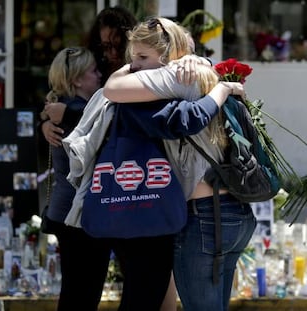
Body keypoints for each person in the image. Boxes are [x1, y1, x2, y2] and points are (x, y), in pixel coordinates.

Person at [63, 17, 246, 311]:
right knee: (148, 294)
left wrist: (201, 69)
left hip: (142, 206)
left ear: (167, 56)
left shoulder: (157, 86)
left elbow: (181, 113)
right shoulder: (158, 87)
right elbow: (183, 118)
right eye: (132, 57)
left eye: (142, 57)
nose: (135, 64)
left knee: (146, 295)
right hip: (163, 209)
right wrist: (219, 88)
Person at [40, 46, 110, 311]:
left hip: (65, 211)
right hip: (80, 214)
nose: (99, 74)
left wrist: (44, 121)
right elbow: (106, 125)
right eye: (93, 70)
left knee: (75, 291)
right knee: (84, 294)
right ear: (78, 79)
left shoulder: (63, 108)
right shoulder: (77, 112)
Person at [41, 6, 137, 147]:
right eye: (106, 46)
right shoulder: (93, 68)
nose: (114, 53)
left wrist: (68, 114)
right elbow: (57, 98)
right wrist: (45, 125)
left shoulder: (140, 71)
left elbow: (128, 118)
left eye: (119, 45)